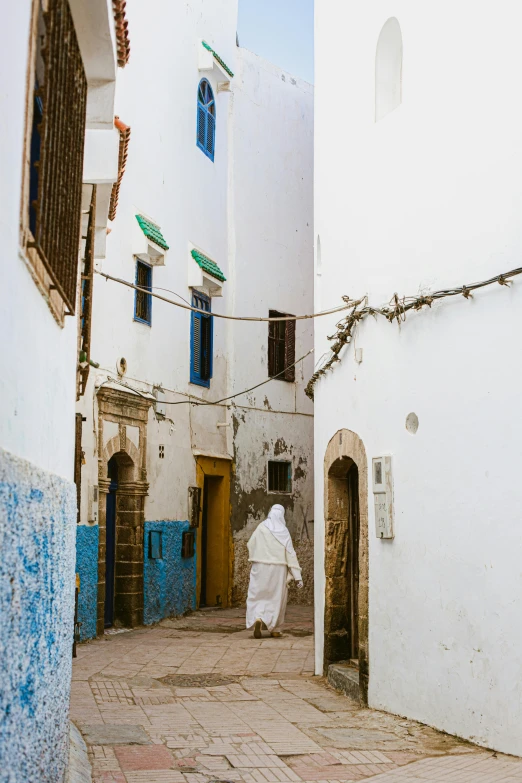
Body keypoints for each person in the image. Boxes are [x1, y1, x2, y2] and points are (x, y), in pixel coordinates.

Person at [246, 504, 303, 638]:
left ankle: (258, 617)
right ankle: (275, 629)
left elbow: (250, 544)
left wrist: (258, 556)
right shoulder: (283, 531)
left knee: (258, 595)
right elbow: (290, 553)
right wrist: (297, 576)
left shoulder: (261, 528)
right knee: (276, 598)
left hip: (260, 567)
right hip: (278, 569)